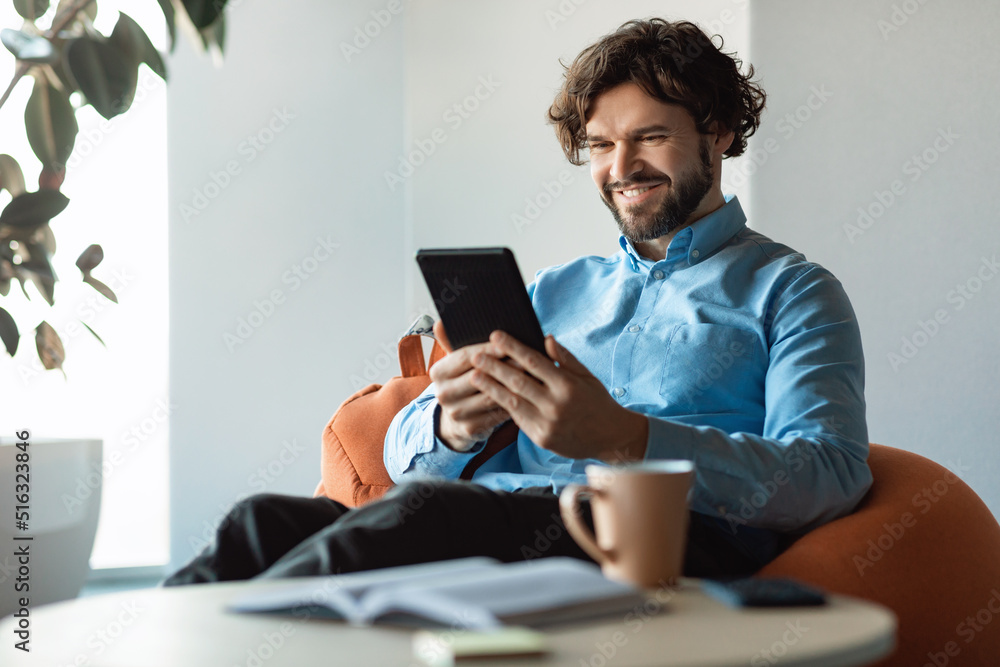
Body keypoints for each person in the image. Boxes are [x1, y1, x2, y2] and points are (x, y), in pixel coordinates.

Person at [164, 18, 871, 586]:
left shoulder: (794, 291)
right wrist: (450, 425)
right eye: (600, 145)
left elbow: (832, 472)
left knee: (428, 516)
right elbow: (409, 456)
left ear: (718, 132)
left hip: (651, 538)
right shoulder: (555, 289)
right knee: (258, 523)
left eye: (650, 138)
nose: (620, 169)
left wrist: (625, 439)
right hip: (483, 514)